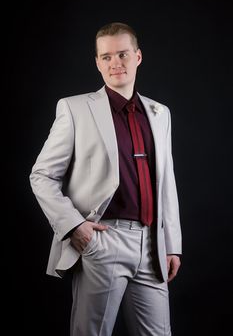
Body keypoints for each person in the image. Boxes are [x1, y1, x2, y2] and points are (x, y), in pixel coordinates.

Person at [29, 22, 182, 336]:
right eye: (107, 56)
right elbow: (42, 175)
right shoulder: (74, 109)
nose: (116, 63)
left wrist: (172, 245)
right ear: (98, 62)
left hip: (152, 244)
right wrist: (74, 226)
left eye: (123, 54)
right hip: (103, 239)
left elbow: (167, 182)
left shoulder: (159, 112)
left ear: (137, 57)